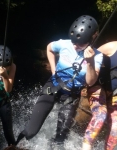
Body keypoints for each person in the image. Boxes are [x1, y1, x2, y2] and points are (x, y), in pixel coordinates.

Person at [15, 15, 104, 147]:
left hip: (71, 95)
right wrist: (53, 70)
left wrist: (90, 61)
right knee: (31, 131)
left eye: (80, 44)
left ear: (92, 38)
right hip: (53, 86)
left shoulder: (97, 56)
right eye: (74, 42)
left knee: (60, 139)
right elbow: (50, 48)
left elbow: (90, 82)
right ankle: (14, 145)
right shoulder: (64, 44)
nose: (75, 46)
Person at [82, 22, 117, 150]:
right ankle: (86, 147)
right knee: (100, 115)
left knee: (116, 130)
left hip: (115, 93)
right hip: (97, 86)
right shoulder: (112, 47)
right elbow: (88, 59)